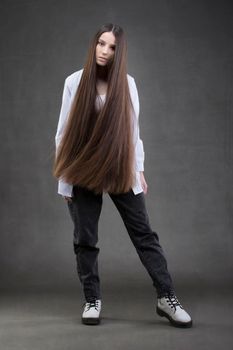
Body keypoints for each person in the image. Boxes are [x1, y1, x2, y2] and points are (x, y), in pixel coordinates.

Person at [53, 23, 192, 328]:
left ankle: (166, 297)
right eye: (101, 44)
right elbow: (63, 134)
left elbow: (133, 133)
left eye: (112, 47)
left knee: (144, 234)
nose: (104, 51)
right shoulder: (74, 82)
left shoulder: (127, 84)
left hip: (118, 166)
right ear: (94, 45)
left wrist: (138, 170)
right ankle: (92, 299)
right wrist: (65, 179)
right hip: (82, 168)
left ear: (120, 52)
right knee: (85, 238)